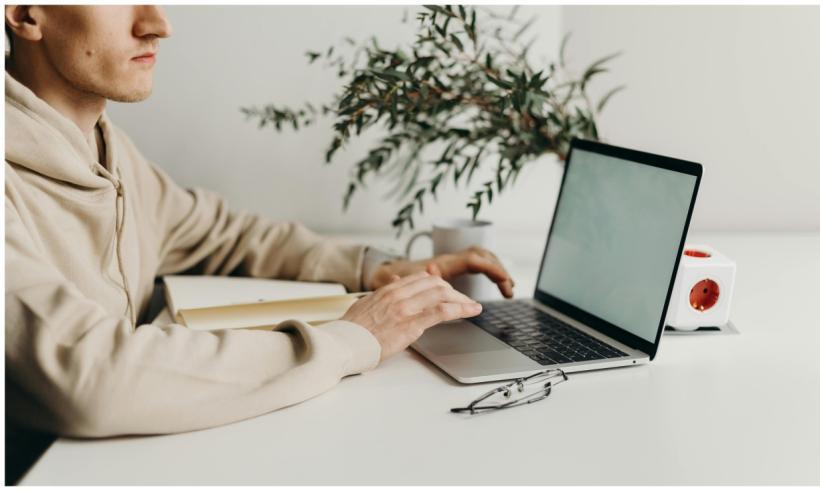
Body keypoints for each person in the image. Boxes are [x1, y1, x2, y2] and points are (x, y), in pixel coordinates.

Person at [4, 3, 516, 449]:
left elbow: (222, 233)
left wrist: (377, 269)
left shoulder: (107, 151)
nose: (158, 24)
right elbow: (93, 381)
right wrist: (349, 341)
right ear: (25, 13)